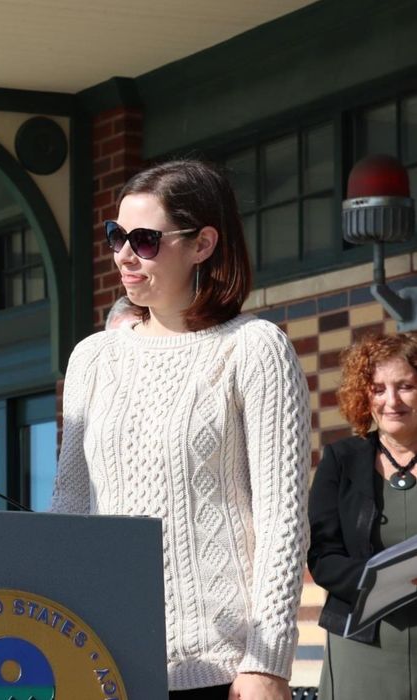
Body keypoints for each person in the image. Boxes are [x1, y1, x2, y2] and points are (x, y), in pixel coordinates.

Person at [50, 160, 310, 700]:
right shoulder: (92, 358)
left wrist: (267, 662)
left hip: (223, 673)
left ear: (203, 243)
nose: (123, 254)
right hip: (103, 664)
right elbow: (69, 508)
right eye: (116, 235)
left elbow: (283, 519)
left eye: (144, 240)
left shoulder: (255, 348)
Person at [308, 333, 417, 699]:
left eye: (406, 387)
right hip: (362, 647)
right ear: (363, 394)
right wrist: (382, 581)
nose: (392, 401)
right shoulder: (341, 460)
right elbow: (322, 556)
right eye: (379, 388)